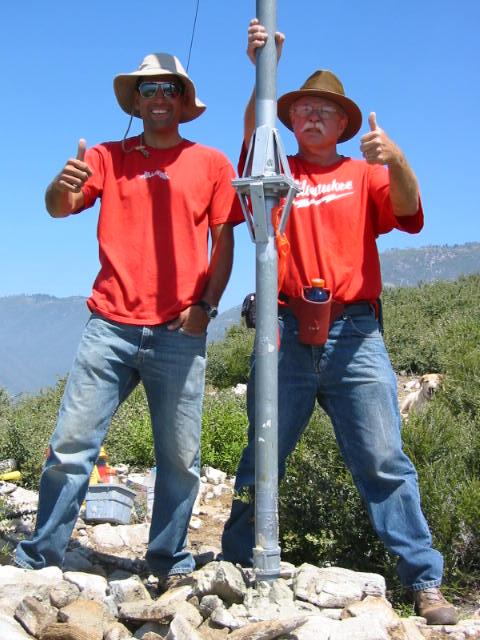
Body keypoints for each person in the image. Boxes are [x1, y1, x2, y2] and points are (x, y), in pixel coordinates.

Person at [222, 20, 457, 626]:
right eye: (302, 108)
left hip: (356, 334)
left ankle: (425, 581)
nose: (312, 117)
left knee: (383, 459)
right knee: (262, 457)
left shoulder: (363, 173)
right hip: (284, 329)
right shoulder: (276, 173)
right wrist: (262, 74)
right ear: (291, 117)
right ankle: (231, 569)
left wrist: (398, 158)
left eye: (325, 110)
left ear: (344, 124)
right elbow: (252, 138)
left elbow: (407, 210)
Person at [15, 53, 243, 584]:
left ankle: (166, 560)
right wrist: (59, 182)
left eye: (168, 88)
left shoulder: (211, 163)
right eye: (148, 89)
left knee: (181, 460)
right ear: (136, 101)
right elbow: (57, 207)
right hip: (109, 326)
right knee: (71, 447)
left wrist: (206, 308)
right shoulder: (104, 156)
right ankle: (39, 557)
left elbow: (224, 240)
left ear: (183, 101)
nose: (158, 97)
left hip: (179, 333)